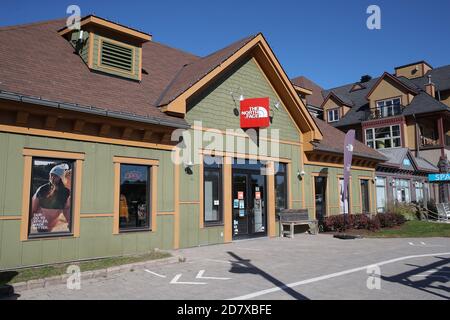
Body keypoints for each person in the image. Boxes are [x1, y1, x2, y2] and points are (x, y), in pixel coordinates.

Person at [30, 163, 71, 233]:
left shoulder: (66, 192)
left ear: (61, 178)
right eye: (51, 175)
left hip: (52, 223)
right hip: (41, 222)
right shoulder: (42, 189)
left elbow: (66, 209)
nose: (52, 178)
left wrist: (69, 222)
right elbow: (32, 208)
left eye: (55, 176)